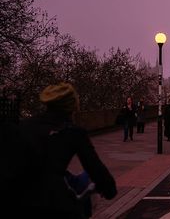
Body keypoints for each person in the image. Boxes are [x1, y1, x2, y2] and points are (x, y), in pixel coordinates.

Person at [9, 82, 117, 218]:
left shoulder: (24, 125)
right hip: (52, 202)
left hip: (17, 201)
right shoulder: (72, 132)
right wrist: (109, 189)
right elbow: (95, 168)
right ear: (72, 106)